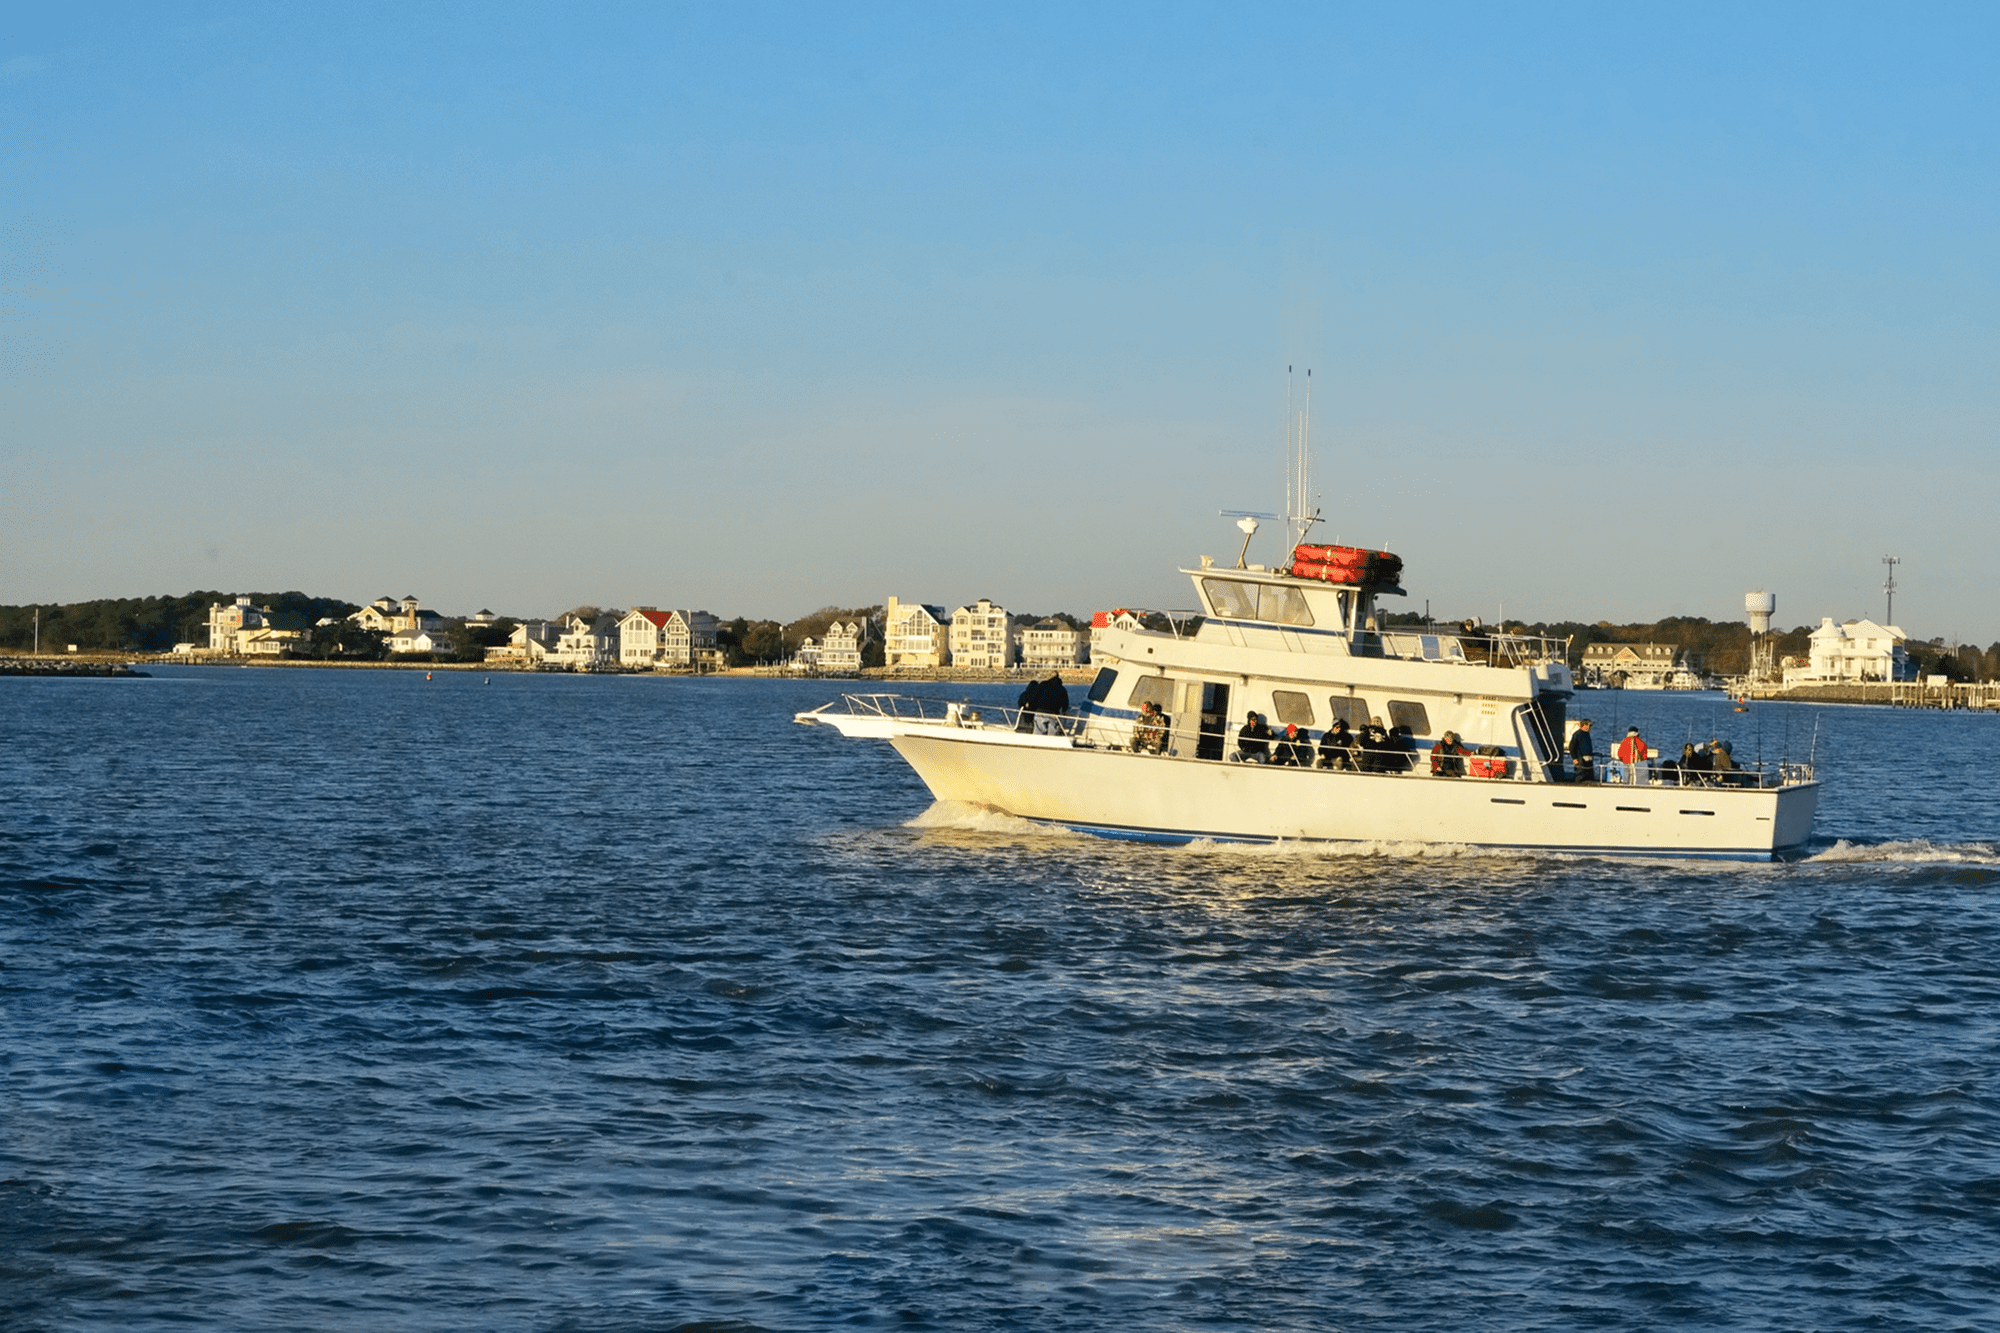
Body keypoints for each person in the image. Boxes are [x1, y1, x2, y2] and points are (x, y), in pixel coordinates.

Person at [1568, 719, 1596, 783]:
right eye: (1590, 725)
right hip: (1581, 758)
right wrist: (1575, 758)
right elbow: (1572, 747)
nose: (1591, 727)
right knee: (1580, 775)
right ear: (1584, 725)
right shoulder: (1578, 734)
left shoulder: (1587, 734)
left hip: (1588, 758)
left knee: (1589, 776)